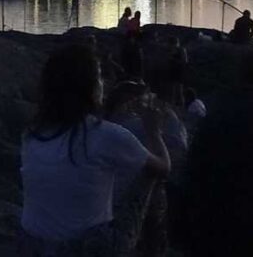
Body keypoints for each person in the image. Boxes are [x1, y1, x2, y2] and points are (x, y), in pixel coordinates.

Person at [20, 44, 170, 256]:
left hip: (32, 246)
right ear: (90, 87)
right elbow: (164, 168)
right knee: (150, 176)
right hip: (87, 248)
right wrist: (153, 131)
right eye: (99, 78)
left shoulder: (32, 134)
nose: (102, 83)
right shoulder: (106, 134)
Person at [104, 82, 188, 257]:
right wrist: (154, 132)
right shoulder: (129, 129)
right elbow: (168, 165)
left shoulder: (103, 129)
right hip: (128, 213)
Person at [166, 38, 188, 107]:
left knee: (179, 90)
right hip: (172, 71)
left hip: (179, 72)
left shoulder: (181, 50)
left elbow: (185, 61)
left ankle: (182, 106)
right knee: (172, 90)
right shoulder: (171, 50)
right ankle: (172, 105)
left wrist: (174, 60)